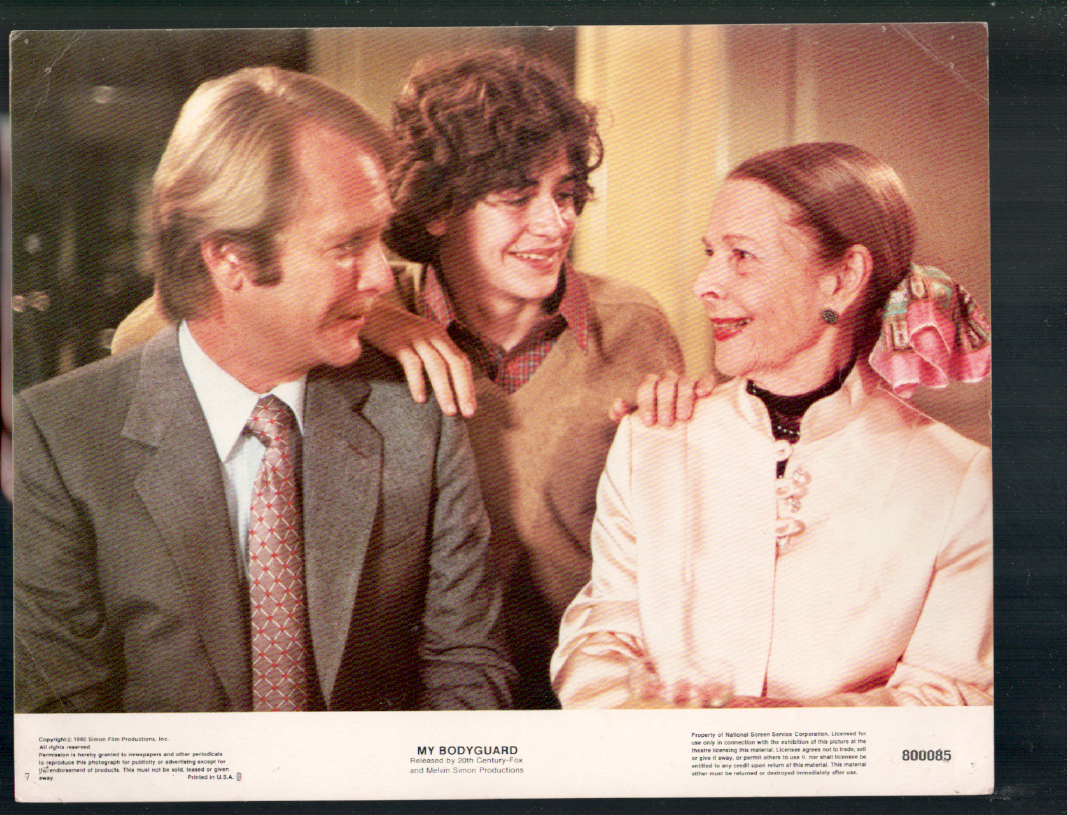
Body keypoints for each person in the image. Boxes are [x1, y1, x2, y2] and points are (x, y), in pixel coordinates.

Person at [14, 66, 514, 713]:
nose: (381, 278)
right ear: (229, 258)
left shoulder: (417, 413)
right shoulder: (58, 438)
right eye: (347, 245)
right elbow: (59, 722)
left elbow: (466, 665)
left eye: (378, 239)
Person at [551, 142, 992, 708]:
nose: (704, 283)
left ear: (843, 279)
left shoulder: (960, 481)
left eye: (742, 255)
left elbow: (950, 697)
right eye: (711, 252)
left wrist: (767, 733)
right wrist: (667, 730)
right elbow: (598, 641)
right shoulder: (652, 440)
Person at [362, 49, 684, 709]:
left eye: (565, 194)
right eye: (516, 197)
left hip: (584, 699)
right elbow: (175, 315)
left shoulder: (634, 326)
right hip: (419, 707)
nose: (555, 222)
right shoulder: (363, 315)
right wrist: (376, 319)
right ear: (436, 208)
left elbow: (677, 549)